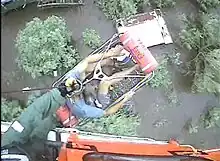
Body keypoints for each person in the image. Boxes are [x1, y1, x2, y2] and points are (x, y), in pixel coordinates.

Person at [1, 83, 76, 161]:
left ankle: (56, 115)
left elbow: (30, 116)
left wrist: (59, 93)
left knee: (39, 125)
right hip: (35, 152)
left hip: (26, 147)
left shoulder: (10, 141)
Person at [64, 45, 139, 119]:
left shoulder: (69, 78)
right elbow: (107, 112)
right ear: (74, 94)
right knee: (105, 83)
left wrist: (110, 54)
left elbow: (87, 60)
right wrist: (125, 99)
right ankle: (134, 68)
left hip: (85, 93)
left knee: (87, 67)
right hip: (97, 103)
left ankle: (111, 60)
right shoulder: (83, 110)